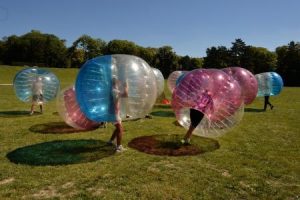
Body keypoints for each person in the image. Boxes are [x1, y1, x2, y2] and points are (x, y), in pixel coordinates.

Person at [107, 77, 129, 152]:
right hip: (114, 113)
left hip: (114, 112)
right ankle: (119, 147)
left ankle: (110, 141)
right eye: (118, 81)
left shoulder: (113, 90)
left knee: (118, 128)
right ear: (116, 82)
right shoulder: (114, 91)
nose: (119, 82)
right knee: (120, 129)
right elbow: (126, 94)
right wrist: (126, 85)